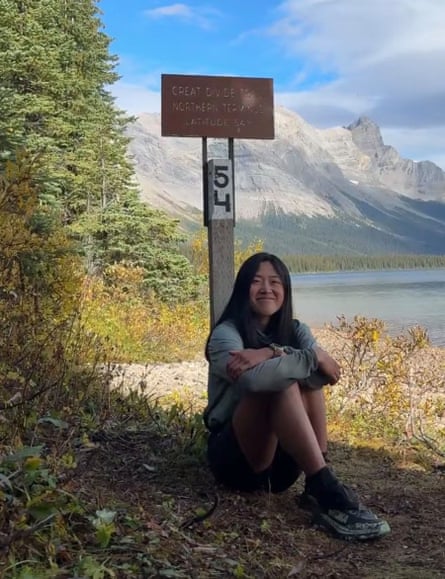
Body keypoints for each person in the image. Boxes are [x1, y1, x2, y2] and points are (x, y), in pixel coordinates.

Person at [203, 252, 390, 541]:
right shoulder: (226, 335)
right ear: (243, 289)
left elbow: (328, 374)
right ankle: (324, 487)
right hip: (237, 462)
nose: (266, 288)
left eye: (275, 281)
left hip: (284, 470)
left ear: (285, 290)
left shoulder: (296, 330)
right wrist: (308, 358)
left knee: (301, 380)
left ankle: (316, 480)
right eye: (256, 281)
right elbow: (254, 380)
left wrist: (272, 352)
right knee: (283, 382)